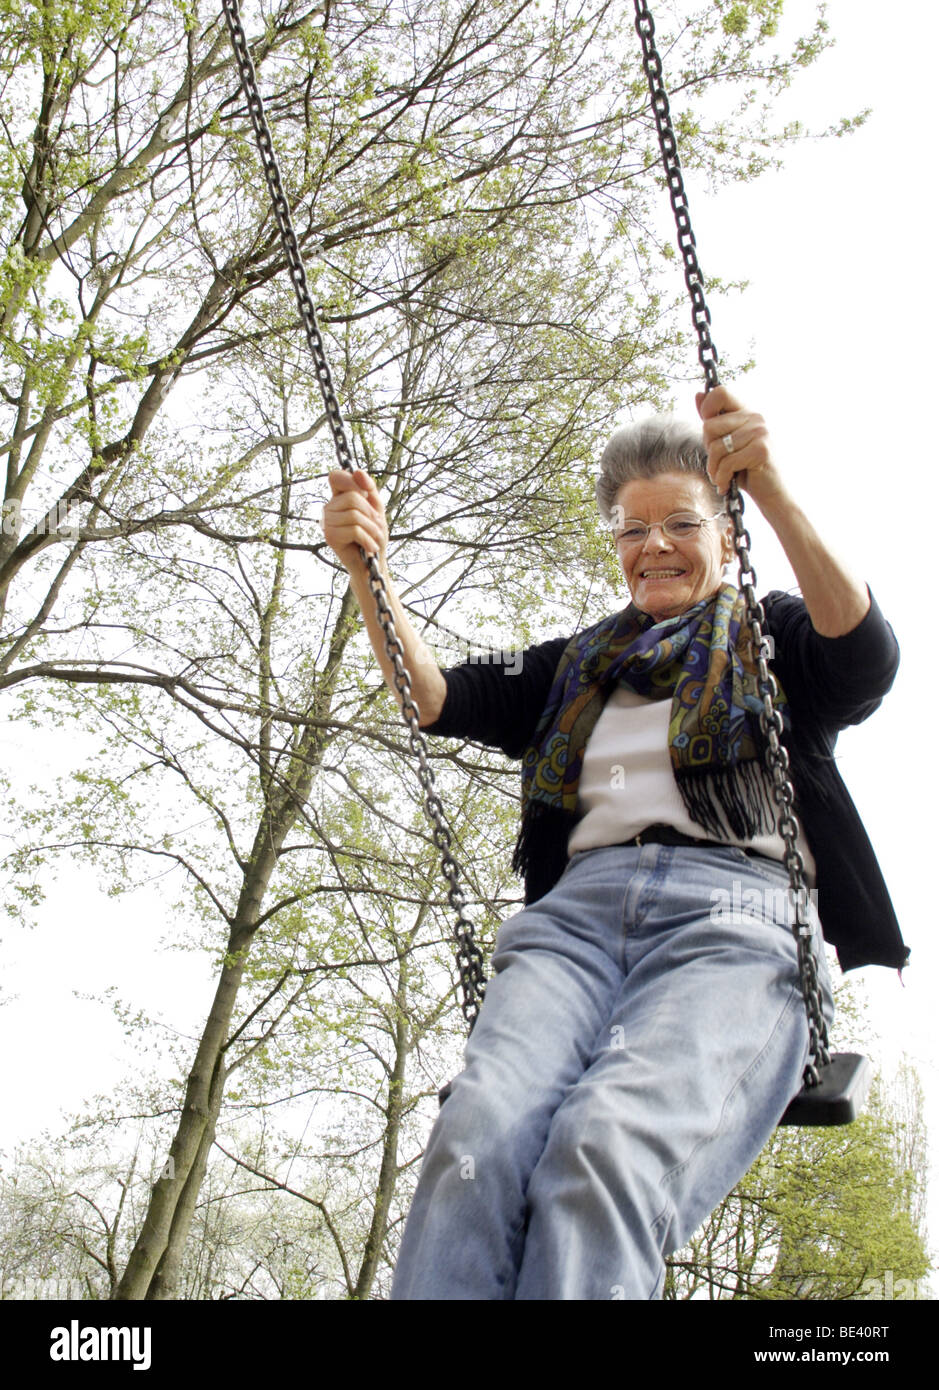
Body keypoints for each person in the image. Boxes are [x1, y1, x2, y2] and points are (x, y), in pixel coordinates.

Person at [321, 384, 908, 1300]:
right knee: (474, 1140)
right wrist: (369, 568)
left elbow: (864, 654)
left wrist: (774, 487)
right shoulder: (576, 667)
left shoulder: (770, 638)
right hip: (574, 928)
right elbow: (429, 697)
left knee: (604, 1147)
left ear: (725, 532)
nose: (655, 546)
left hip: (732, 920)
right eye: (632, 531)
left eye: (680, 522)